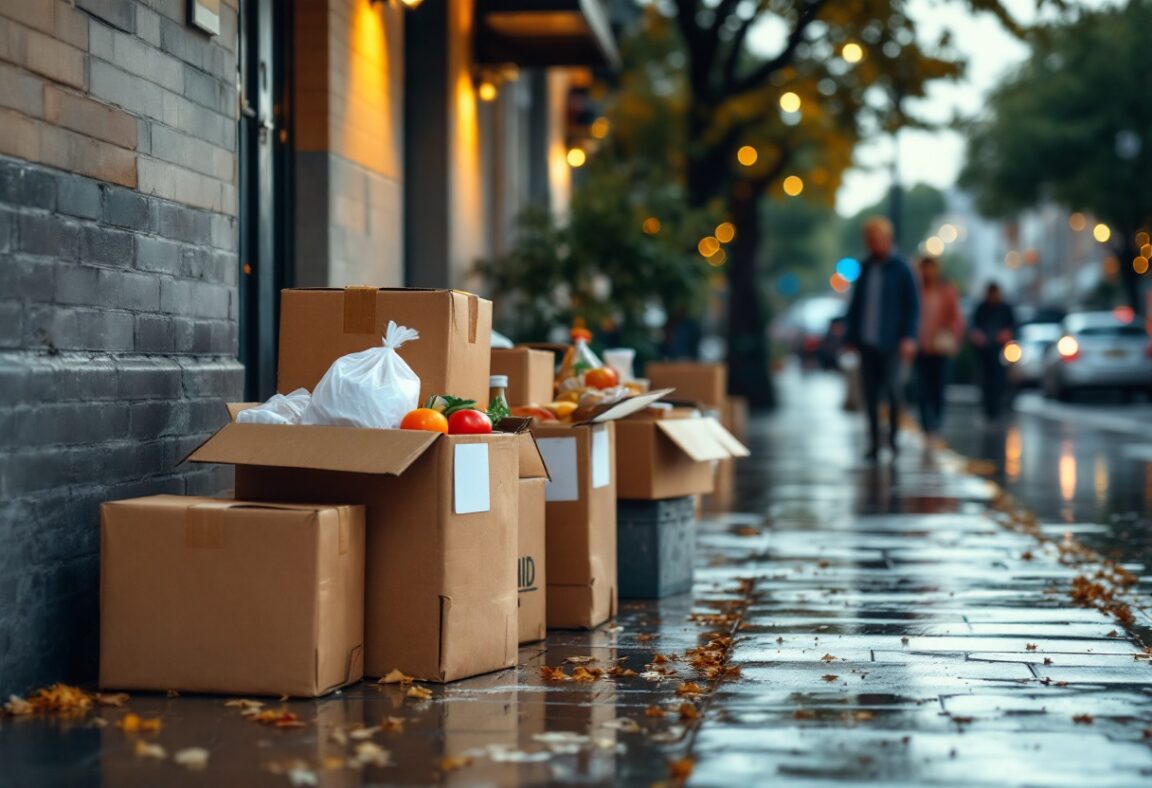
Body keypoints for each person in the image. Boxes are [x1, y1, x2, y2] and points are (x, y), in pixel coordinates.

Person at [844, 217, 920, 461]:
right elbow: (855, 305)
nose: (873, 245)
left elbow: (912, 306)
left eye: (877, 240)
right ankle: (875, 441)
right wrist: (850, 336)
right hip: (867, 340)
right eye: (869, 240)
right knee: (870, 393)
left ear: (888, 240)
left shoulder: (902, 267)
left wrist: (908, 337)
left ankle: (894, 439)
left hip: (892, 341)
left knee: (893, 390)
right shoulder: (865, 267)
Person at [914, 256, 964, 441]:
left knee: (938, 386)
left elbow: (956, 318)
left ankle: (936, 421)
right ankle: (925, 423)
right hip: (921, 346)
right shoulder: (917, 290)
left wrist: (952, 334)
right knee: (922, 387)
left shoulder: (946, 290)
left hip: (940, 347)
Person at [969, 282, 1017, 420]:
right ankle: (988, 409)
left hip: (1001, 350)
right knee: (985, 380)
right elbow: (973, 327)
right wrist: (978, 336)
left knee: (1000, 379)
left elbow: (1013, 327)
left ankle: (997, 408)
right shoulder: (981, 308)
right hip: (984, 351)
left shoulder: (1005, 308)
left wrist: (1006, 334)